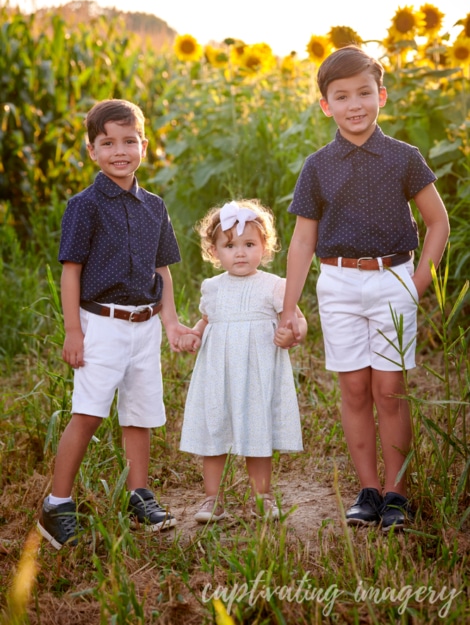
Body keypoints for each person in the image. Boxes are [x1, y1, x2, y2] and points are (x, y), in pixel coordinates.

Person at [280, 46, 449, 532]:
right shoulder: (318, 165)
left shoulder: (404, 158)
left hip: (394, 277)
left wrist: (416, 284)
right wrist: (290, 308)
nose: (355, 104)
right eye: (342, 96)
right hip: (337, 282)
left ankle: (397, 494)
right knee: (354, 389)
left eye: (364, 93)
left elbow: (438, 223)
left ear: (382, 95)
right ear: (325, 105)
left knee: (390, 390)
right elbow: (303, 239)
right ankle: (368, 491)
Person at [38, 99, 193, 549]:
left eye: (129, 141)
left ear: (144, 145)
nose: (119, 151)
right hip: (100, 324)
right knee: (87, 413)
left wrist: (171, 323)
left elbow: (161, 270)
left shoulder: (154, 206)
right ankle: (57, 504)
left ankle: (138, 495)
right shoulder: (84, 206)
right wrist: (73, 331)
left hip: (143, 325)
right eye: (108, 143)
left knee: (140, 414)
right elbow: (71, 271)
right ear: (92, 150)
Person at [178, 200, 307, 522]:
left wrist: (292, 334)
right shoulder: (212, 287)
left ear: (265, 248)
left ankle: (261, 497)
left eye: (249, 245)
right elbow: (206, 320)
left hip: (257, 374)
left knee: (257, 431)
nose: (240, 253)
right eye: (230, 245)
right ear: (214, 251)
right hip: (218, 372)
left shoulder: (275, 285)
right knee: (215, 430)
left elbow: (298, 320)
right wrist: (194, 334)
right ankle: (212, 499)